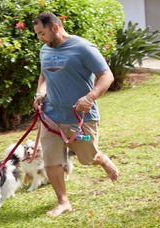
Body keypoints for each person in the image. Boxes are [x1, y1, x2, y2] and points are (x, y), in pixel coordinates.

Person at [32, 12, 119, 217]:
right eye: (37, 34)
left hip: (80, 120)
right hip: (51, 117)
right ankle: (63, 202)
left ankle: (101, 158)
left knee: (87, 156)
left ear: (54, 27)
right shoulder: (45, 50)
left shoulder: (83, 48)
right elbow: (43, 76)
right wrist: (39, 94)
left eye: (42, 33)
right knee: (51, 160)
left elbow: (107, 75)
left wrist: (90, 97)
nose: (40, 38)